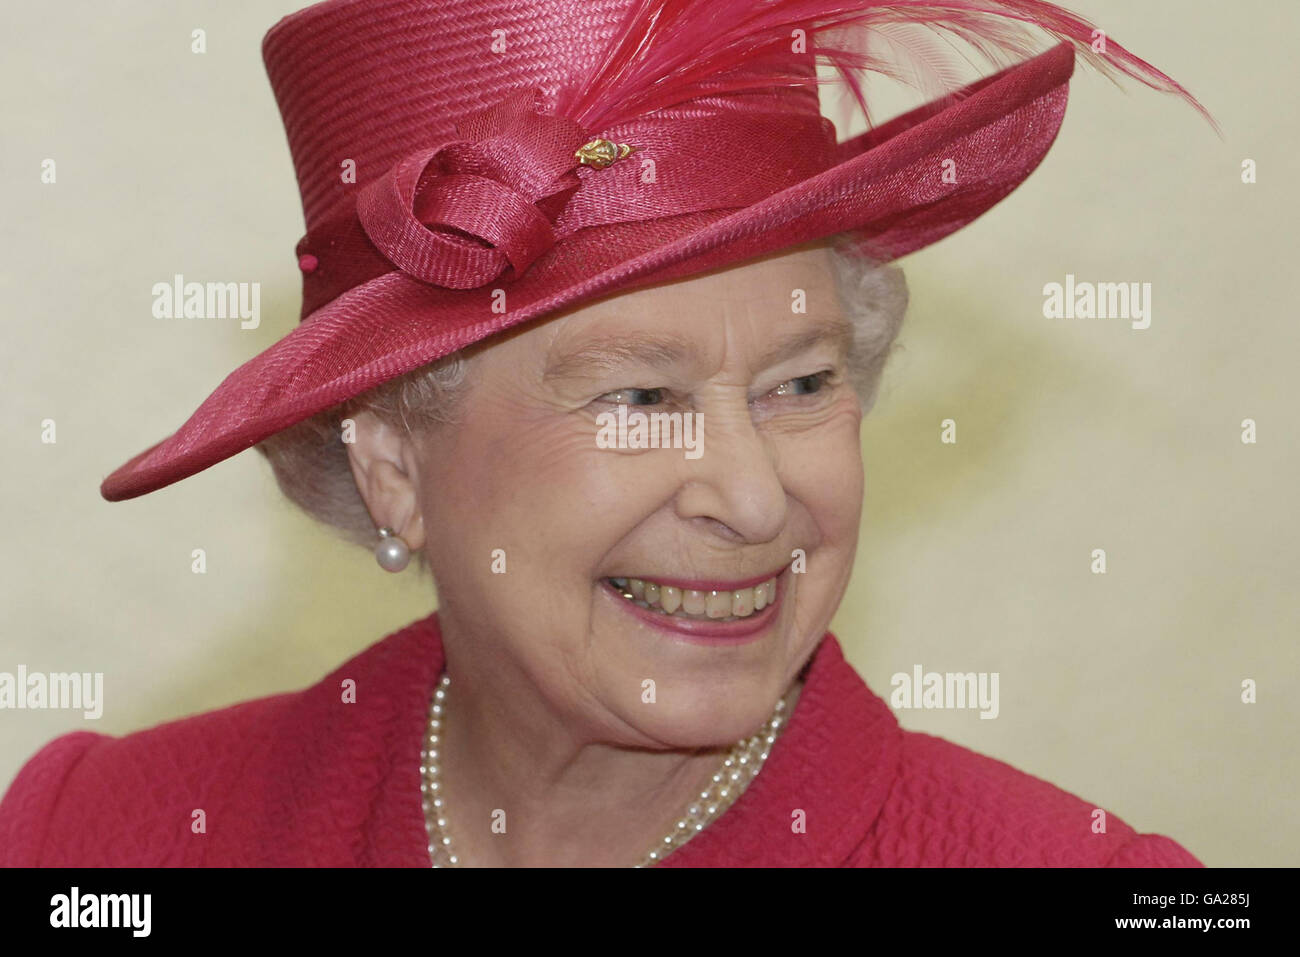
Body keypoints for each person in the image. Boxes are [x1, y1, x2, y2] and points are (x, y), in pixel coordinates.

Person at [0, 0, 1211, 867]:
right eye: (639, 400)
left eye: (800, 385)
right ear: (393, 469)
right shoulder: (96, 840)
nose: (751, 499)